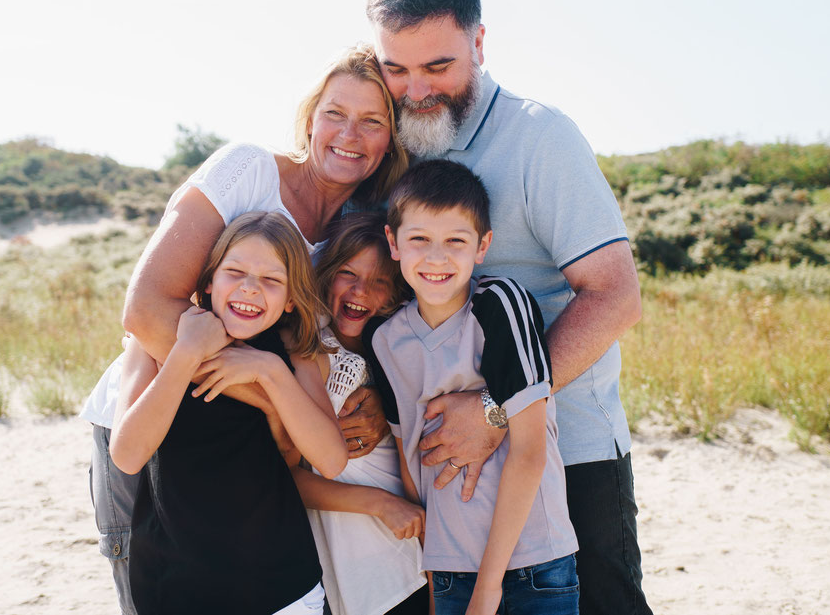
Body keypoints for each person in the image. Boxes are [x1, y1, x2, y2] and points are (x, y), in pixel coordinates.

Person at [364, 0, 651, 615]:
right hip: (445, 479)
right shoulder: (394, 147)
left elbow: (615, 295)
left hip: (566, 457)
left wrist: (495, 411)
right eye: (396, 68)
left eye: (438, 66)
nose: (415, 90)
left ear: (479, 42)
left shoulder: (539, 136)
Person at [79, 43, 407, 613]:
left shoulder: (361, 227)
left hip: (253, 455)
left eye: (371, 121)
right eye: (335, 113)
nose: (349, 134)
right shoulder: (247, 170)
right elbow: (148, 310)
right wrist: (277, 407)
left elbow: (340, 337)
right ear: (310, 118)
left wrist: (374, 400)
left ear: (390, 139)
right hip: (159, 419)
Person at [364, 160, 579, 615]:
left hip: (532, 563)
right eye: (419, 238)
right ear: (393, 242)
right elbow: (409, 458)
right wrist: (432, 564)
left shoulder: (500, 304)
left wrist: (488, 588)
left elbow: (530, 450)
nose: (437, 257)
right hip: (447, 567)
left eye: (456, 242)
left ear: (482, 246)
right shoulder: (386, 340)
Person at [110, 211, 346, 614]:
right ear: (208, 280)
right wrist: (187, 352)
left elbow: (331, 460)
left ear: (291, 299)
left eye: (272, 280)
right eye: (234, 271)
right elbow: (128, 455)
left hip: (280, 588)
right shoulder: (157, 340)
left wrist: (268, 371)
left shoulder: (294, 353)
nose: (251, 289)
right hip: (175, 587)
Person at [287, 212, 429, 615]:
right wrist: (379, 503)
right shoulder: (310, 350)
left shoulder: (395, 347)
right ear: (326, 274)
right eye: (348, 273)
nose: (362, 291)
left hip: (410, 545)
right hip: (365, 545)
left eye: (380, 280)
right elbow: (290, 476)